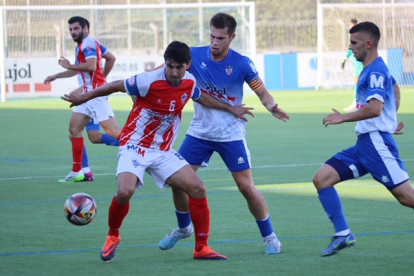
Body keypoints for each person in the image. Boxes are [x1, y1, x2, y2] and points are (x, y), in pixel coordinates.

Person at [62, 40, 254, 261]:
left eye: (178, 67)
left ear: (187, 65)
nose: (173, 72)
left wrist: (230, 108)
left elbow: (202, 97)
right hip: (134, 145)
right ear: (165, 63)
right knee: (124, 192)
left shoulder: (189, 83)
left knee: (198, 188)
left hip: (162, 151)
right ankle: (113, 235)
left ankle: (201, 247)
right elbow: (115, 85)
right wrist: (85, 97)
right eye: (169, 66)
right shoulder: (148, 80)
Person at [157, 13, 289, 255]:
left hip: (231, 135)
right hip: (200, 132)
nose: (214, 42)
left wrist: (272, 106)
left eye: (220, 38)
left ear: (232, 37)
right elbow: (163, 72)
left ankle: (270, 237)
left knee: (247, 187)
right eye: (212, 36)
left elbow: (262, 92)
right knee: (175, 180)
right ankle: (184, 228)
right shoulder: (193, 56)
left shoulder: (242, 64)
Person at [313, 21, 413, 257]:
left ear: (368, 44)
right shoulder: (373, 69)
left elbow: (375, 109)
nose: (351, 48)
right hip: (365, 145)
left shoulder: (375, 71)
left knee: (406, 197)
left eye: (354, 43)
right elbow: (396, 90)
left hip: (376, 144)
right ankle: (343, 234)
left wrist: (343, 118)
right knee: (322, 179)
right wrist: (390, 121)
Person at [44, 16, 121, 183]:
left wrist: (69, 66)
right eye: (71, 29)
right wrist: (58, 75)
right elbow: (109, 59)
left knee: (114, 132)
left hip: (95, 96)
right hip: (88, 95)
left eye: (76, 29)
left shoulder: (87, 43)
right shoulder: (87, 44)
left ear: (86, 29)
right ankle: (78, 171)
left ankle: (148, 149)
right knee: (74, 129)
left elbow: (91, 66)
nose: (73, 32)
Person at [341, 19, 364, 112]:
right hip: (356, 61)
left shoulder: (358, 35)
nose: (349, 27)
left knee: (358, 82)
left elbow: (353, 47)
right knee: (357, 82)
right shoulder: (355, 35)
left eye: (351, 25)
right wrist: (345, 59)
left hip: (359, 61)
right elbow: (351, 48)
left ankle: (357, 102)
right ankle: (357, 102)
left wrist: (346, 58)